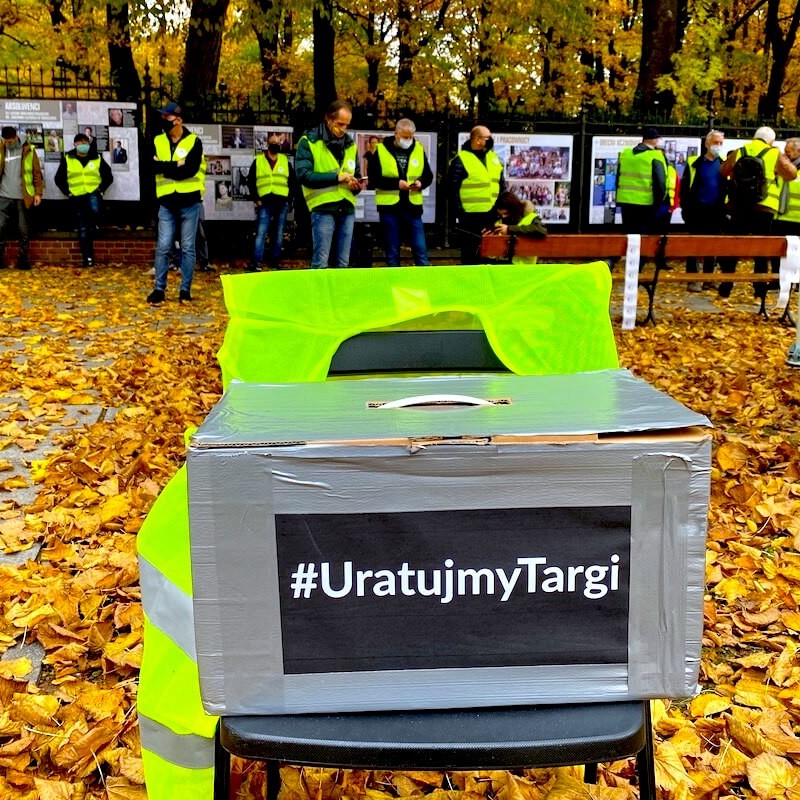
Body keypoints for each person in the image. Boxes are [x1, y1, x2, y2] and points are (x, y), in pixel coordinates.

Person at [717, 125, 796, 299]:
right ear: (771, 141)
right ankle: (759, 290)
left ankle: (726, 284)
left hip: (738, 206)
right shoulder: (773, 153)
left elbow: (723, 171)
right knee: (762, 249)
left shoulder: (740, 151)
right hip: (764, 207)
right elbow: (791, 174)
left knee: (734, 246)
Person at [147, 101, 204, 304]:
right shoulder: (158, 140)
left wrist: (165, 167)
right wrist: (176, 164)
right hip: (167, 202)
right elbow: (151, 167)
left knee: (188, 247)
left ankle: (185, 290)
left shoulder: (194, 142)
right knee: (163, 246)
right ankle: (159, 289)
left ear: (178, 120)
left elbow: (190, 170)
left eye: (167, 117)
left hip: (190, 202)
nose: (163, 119)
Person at [295, 100, 363, 268]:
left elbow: (357, 175)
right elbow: (303, 175)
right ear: (329, 119)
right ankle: (319, 287)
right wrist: (336, 178)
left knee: (343, 263)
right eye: (340, 124)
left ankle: (338, 287)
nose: (343, 129)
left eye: (347, 125)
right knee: (321, 262)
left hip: (346, 208)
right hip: (323, 208)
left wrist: (356, 186)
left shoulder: (350, 144)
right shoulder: (309, 141)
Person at [368, 118, 433, 266]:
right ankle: (394, 277)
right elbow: (374, 178)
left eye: (411, 137)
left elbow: (428, 175)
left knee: (420, 248)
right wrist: (396, 184)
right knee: (392, 250)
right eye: (405, 137)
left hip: (413, 207)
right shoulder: (381, 150)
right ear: (396, 134)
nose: (408, 140)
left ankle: (425, 276)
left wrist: (420, 183)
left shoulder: (418, 149)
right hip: (389, 208)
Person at [448, 125, 506, 264]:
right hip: (470, 217)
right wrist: (460, 213)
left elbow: (501, 186)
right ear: (477, 139)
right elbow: (451, 190)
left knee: (489, 255)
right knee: (470, 255)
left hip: (491, 215)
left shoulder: (494, 158)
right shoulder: (461, 160)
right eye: (487, 138)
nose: (490, 140)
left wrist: (499, 210)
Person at [615, 126, 669, 272]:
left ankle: (629, 266)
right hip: (646, 204)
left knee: (630, 235)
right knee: (643, 239)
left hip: (626, 203)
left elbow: (618, 177)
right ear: (655, 140)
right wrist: (659, 203)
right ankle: (637, 269)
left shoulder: (626, 154)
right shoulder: (655, 156)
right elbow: (660, 183)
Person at [54, 133, 113, 268]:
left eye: (85, 143)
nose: (83, 146)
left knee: (96, 211)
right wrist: (67, 192)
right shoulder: (68, 158)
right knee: (83, 228)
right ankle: (88, 259)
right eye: (80, 144)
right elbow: (59, 178)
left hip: (92, 192)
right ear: (74, 145)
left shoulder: (97, 157)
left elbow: (108, 176)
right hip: (76, 196)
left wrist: (101, 189)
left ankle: (97, 224)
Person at [679, 130, 727, 291]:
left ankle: (708, 278)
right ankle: (693, 279)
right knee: (694, 244)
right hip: (697, 210)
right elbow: (685, 187)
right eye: (715, 142)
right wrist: (685, 208)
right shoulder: (695, 163)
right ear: (707, 144)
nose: (718, 146)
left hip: (716, 211)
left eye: (720, 143)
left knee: (712, 245)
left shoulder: (724, 163)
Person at [247, 131, 296, 271]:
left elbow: (293, 182)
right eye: (273, 143)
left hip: (281, 203)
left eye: (278, 143)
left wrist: (289, 200)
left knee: (278, 234)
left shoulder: (285, 161)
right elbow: (251, 181)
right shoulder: (259, 160)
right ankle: (256, 263)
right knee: (261, 233)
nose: (276, 145)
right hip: (264, 202)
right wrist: (256, 199)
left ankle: (275, 262)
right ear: (268, 144)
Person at [0, 125, 44, 270]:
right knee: (0, 227)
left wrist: (38, 193)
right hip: (3, 195)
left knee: (23, 229)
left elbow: (36, 173)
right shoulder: (1, 148)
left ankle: (23, 260)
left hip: (23, 196)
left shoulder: (28, 149)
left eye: (10, 141)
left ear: (15, 137)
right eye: (5, 141)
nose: (8, 144)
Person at [488, 190, 547, 264]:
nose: (503, 217)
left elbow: (541, 230)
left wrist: (509, 229)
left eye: (506, 213)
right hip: (504, 265)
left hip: (524, 267)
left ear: (514, 209)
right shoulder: (499, 222)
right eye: (501, 215)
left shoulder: (531, 217)